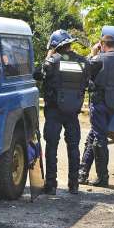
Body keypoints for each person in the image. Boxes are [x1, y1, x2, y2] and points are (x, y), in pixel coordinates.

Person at [41, 29, 90, 195]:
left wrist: (49, 56)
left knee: (51, 147)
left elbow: (41, 75)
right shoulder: (83, 62)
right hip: (73, 113)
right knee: (74, 148)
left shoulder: (52, 61)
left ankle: (51, 185)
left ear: (55, 46)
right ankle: (74, 185)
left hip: (54, 111)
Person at [79, 34, 114, 187]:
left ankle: (103, 177)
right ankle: (82, 173)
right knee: (94, 135)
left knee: (98, 139)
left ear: (102, 45)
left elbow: (83, 70)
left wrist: (92, 53)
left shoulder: (99, 59)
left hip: (99, 103)